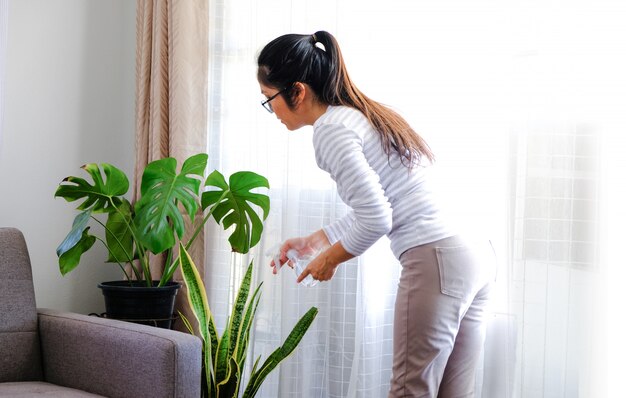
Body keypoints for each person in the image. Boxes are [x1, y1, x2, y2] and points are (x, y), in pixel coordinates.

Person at [257, 30, 496, 398]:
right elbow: (379, 203)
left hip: (435, 258)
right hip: (472, 255)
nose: (270, 111)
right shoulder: (357, 116)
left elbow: (376, 218)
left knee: (409, 391)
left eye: (268, 99)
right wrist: (318, 241)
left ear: (297, 91)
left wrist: (329, 261)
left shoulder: (330, 131)